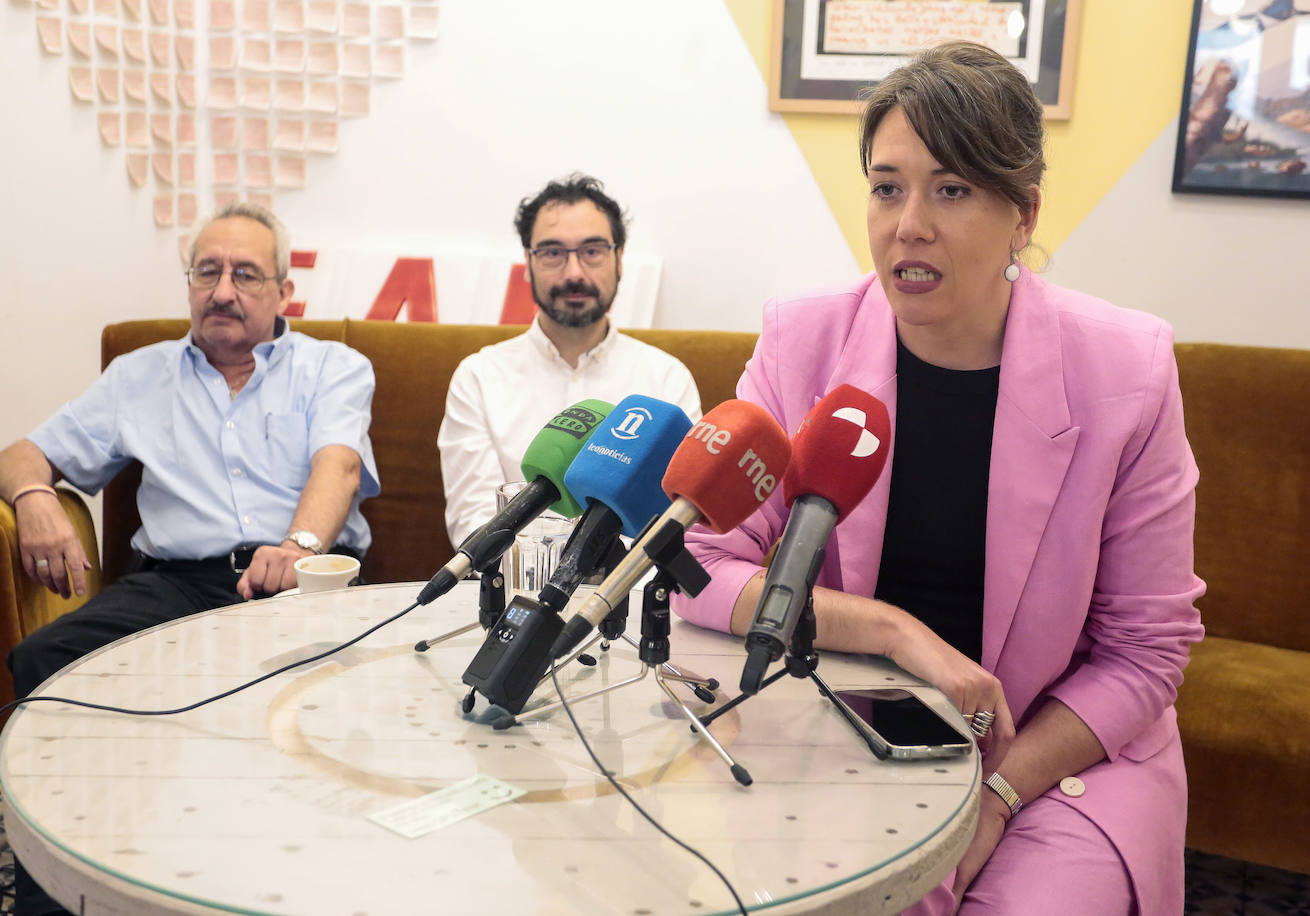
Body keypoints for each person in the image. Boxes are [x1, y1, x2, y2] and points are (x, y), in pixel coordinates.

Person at [672, 42, 1205, 916]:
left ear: (1022, 212)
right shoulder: (801, 342)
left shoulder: (1128, 370)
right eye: (887, 187)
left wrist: (1001, 793)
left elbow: (1145, 653)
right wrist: (888, 631)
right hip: (852, 733)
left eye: (950, 190)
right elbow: (701, 565)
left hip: (1060, 750)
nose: (908, 223)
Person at [0, 202, 379, 914]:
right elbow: (18, 454)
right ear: (190, 282)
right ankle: (63, 893)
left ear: (284, 291)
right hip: (176, 586)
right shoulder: (139, 376)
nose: (223, 290)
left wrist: (299, 546)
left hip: (306, 583)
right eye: (208, 271)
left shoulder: (332, 366)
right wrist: (33, 496)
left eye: (246, 274)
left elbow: (340, 467)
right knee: (44, 661)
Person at [437, 174, 701, 545]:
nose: (574, 272)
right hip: (514, 590)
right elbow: (474, 523)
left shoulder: (666, 379)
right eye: (552, 253)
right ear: (528, 263)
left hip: (628, 594)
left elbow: (678, 520)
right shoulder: (479, 377)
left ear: (619, 259)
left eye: (592, 251)